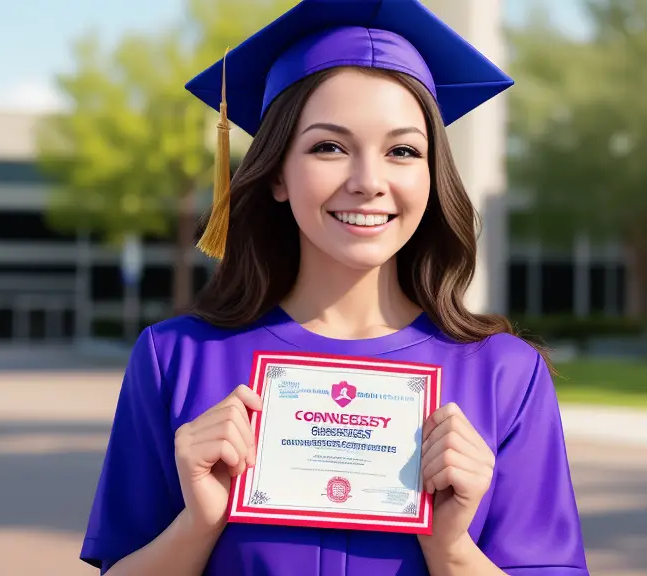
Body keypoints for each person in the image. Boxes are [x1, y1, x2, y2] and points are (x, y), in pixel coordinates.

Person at [80, 0, 590, 574]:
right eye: (330, 146)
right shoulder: (177, 359)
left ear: (430, 175)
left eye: (402, 151)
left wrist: (451, 549)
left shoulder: (504, 376)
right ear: (276, 172)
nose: (369, 182)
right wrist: (198, 524)